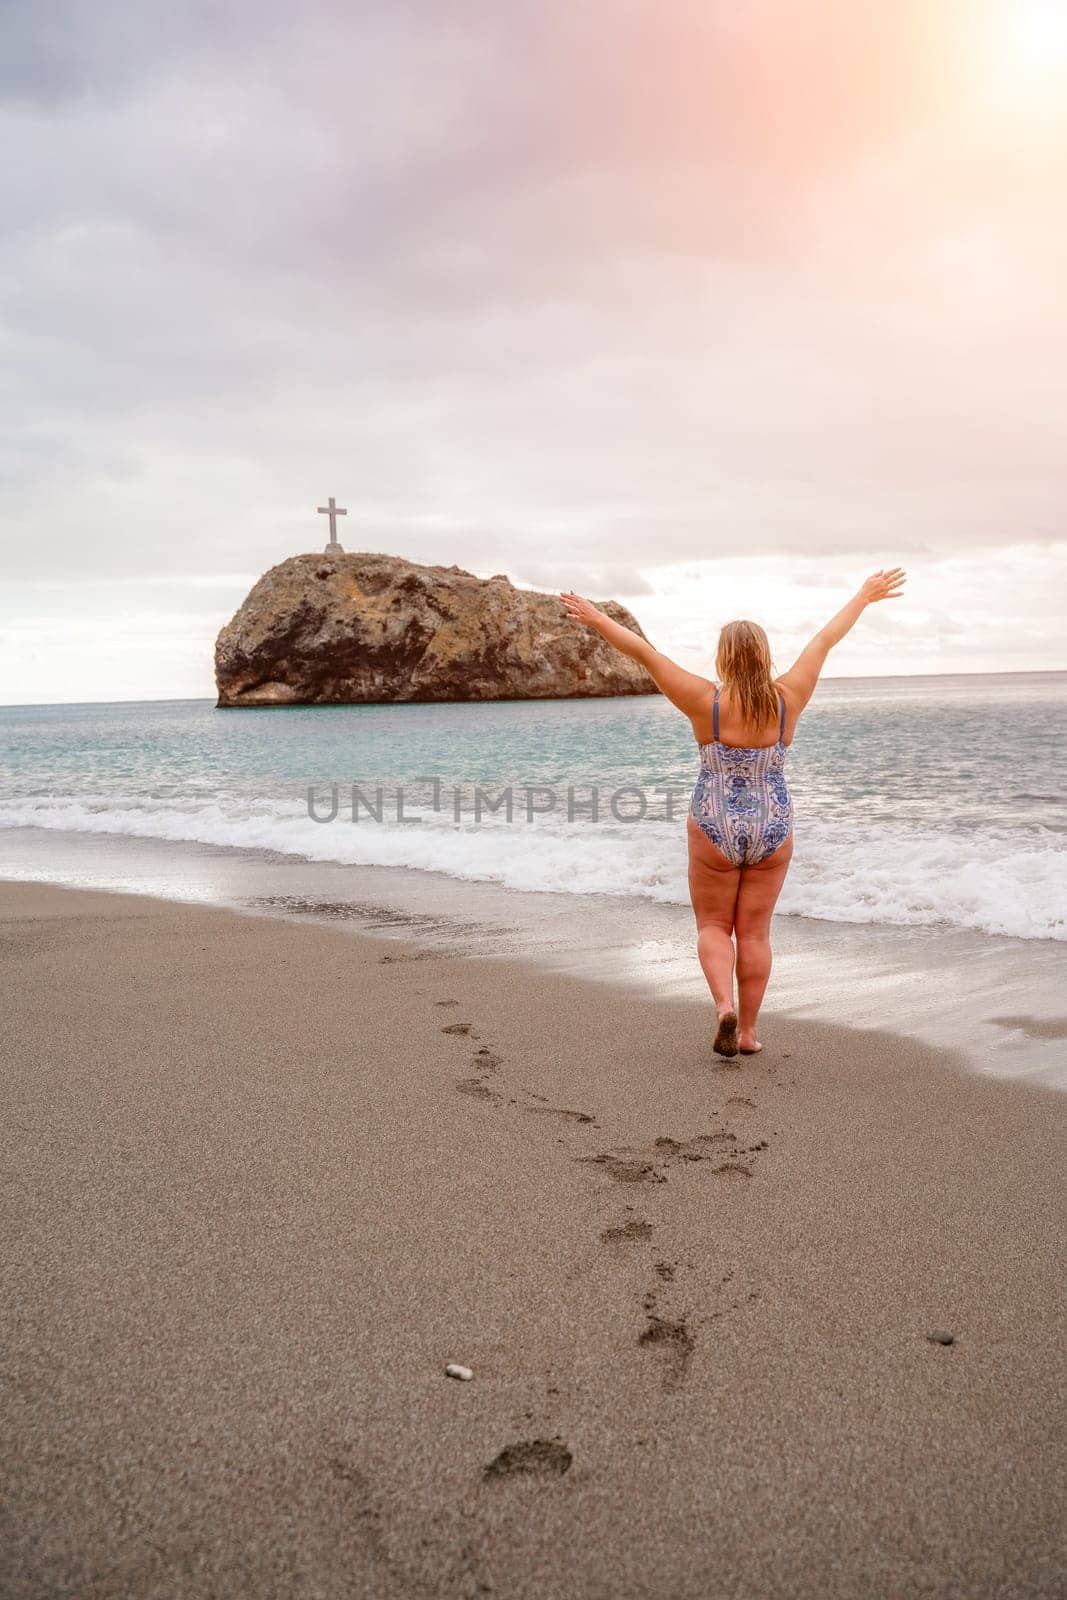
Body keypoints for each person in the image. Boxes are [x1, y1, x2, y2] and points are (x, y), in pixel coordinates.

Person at [560, 569, 907, 1058]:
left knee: (712, 927)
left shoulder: (707, 701)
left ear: (722, 657)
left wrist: (595, 618)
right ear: (766, 656)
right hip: (773, 822)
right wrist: (864, 596)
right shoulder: (790, 697)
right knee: (756, 932)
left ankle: (724, 1007)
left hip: (713, 820)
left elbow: (642, 652)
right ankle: (747, 1033)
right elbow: (825, 639)